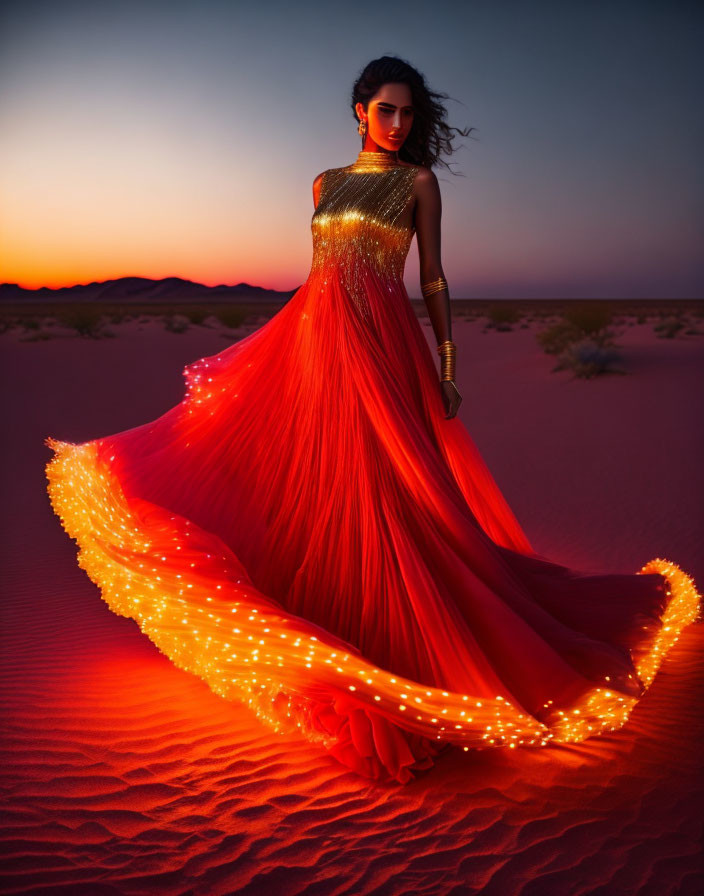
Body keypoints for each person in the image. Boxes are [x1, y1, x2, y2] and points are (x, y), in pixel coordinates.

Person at [45, 55, 701, 784]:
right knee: (307, 471)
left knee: (394, 482)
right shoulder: (326, 183)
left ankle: (416, 638)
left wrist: (448, 364)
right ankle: (334, 608)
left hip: (385, 340)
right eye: (385, 110)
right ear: (360, 110)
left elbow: (434, 277)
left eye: (408, 113)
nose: (397, 124)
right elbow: (324, 268)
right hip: (319, 339)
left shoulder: (417, 183)